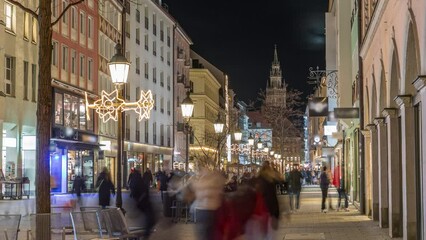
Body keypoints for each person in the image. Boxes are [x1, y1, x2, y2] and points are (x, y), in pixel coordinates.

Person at [192, 167, 226, 240]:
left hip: (202, 211)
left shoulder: (199, 183)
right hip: (211, 211)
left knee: (204, 234)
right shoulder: (214, 183)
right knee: (210, 234)